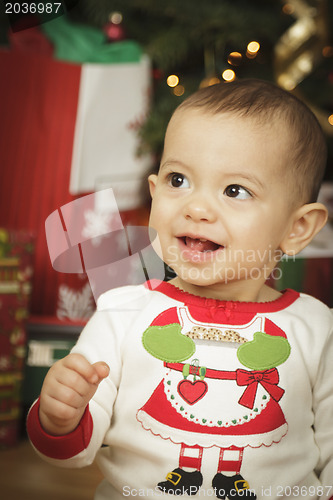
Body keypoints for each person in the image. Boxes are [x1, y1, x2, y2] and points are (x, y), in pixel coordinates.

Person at [27, 79, 333, 500]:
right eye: (178, 180)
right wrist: (60, 416)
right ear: (154, 193)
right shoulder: (123, 313)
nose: (196, 208)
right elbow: (72, 453)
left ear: (297, 228)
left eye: (234, 190)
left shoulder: (317, 329)